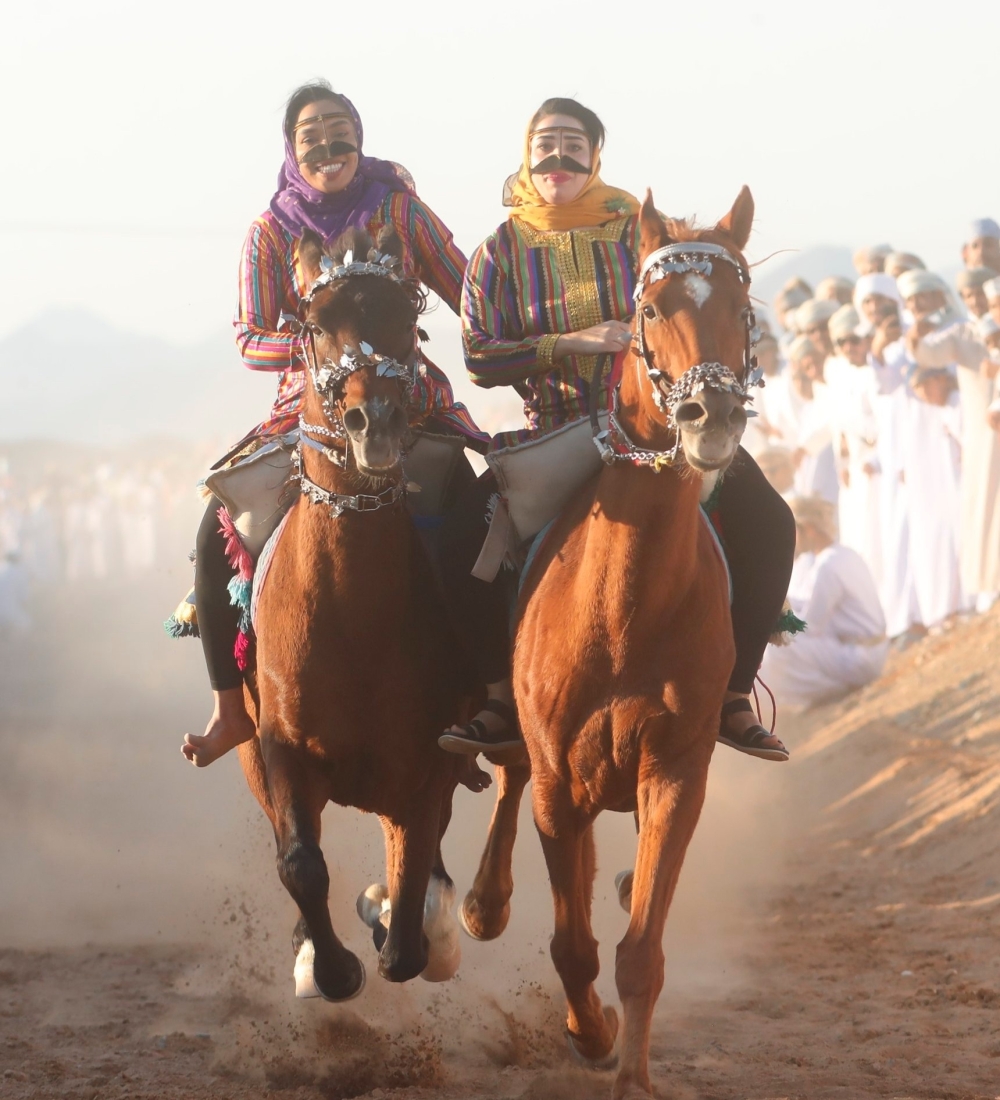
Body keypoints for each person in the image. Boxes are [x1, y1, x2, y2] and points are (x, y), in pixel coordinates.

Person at [440, 96, 796, 762]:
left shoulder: (637, 231)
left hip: (652, 429)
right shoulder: (498, 250)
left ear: (596, 156)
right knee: (460, 533)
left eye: (574, 144)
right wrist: (567, 343)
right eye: (545, 142)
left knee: (772, 523)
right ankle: (496, 699)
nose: (558, 156)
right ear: (526, 153)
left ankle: (732, 696)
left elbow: (692, 308)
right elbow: (479, 357)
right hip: (551, 434)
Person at [181, 81, 487, 767]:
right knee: (214, 529)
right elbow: (249, 336)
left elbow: (468, 290)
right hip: (307, 412)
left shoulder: (403, 213)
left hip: (413, 405)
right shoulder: (270, 231)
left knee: (480, 521)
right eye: (311, 134)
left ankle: (485, 698)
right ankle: (231, 709)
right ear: (292, 150)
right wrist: (317, 344)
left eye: (340, 129)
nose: (328, 144)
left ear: (360, 139)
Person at [911, 270, 1000, 612]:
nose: (975, 300)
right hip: (984, 432)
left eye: (981, 293)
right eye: (969, 294)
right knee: (984, 503)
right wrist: (915, 338)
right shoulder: (963, 331)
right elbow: (928, 356)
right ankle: (990, 582)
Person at [759, 496, 887, 708]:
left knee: (777, 647)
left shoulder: (826, 565)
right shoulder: (843, 553)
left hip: (860, 658)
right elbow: (810, 602)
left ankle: (829, 690)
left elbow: (811, 627)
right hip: (871, 650)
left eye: (794, 531)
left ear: (808, 529)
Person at [825, 306, 882, 588]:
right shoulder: (841, 376)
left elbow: (885, 426)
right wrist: (843, 462)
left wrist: (875, 454)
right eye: (841, 342)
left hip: (879, 467)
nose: (849, 347)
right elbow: (840, 428)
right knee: (860, 535)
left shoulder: (877, 372)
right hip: (855, 473)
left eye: (853, 340)